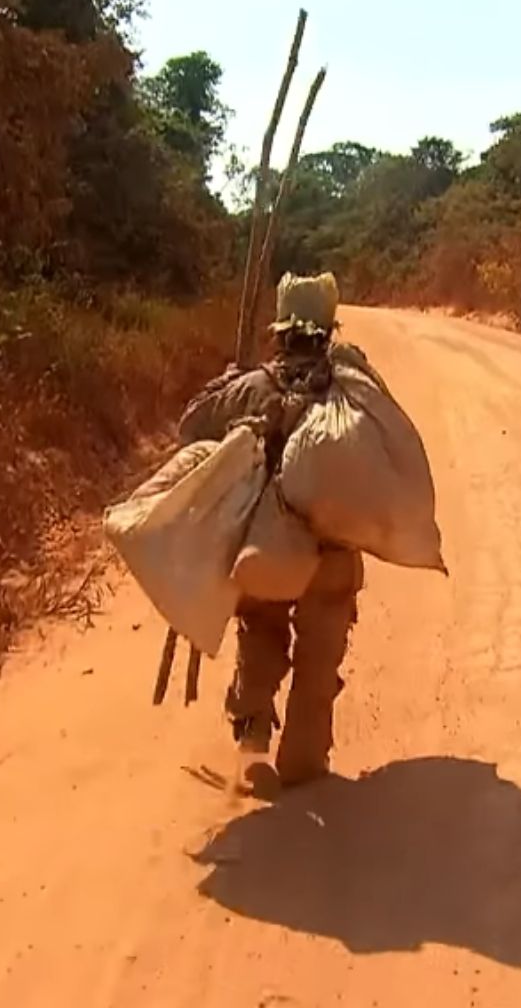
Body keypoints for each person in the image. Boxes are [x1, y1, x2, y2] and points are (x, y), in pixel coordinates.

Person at [176, 273, 371, 792]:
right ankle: (305, 756)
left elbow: (189, 427)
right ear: (328, 330)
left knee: (260, 633)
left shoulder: (254, 384)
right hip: (331, 552)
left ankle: (254, 741)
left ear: (281, 330)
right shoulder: (351, 388)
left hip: (264, 552)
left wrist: (228, 383)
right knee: (320, 652)